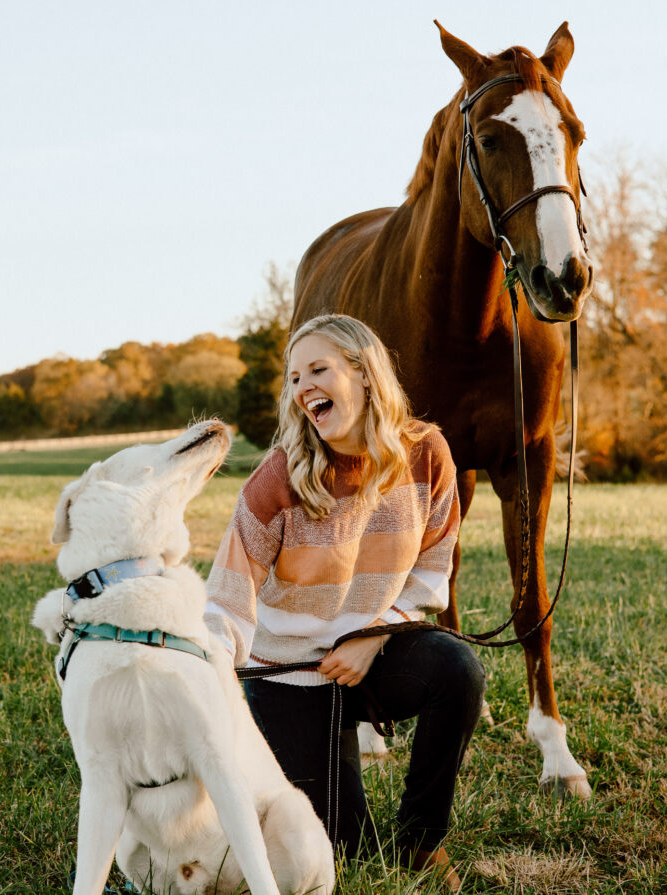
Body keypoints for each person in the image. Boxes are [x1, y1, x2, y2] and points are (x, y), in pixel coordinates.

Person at [204, 313, 485, 891]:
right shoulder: (278, 477)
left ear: (362, 373)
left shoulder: (426, 453)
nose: (303, 386)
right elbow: (227, 598)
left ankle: (420, 840)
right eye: (293, 377)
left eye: (318, 369)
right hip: (286, 675)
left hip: (375, 657)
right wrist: (202, 674)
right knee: (345, 851)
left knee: (457, 670)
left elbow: (434, 565)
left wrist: (375, 634)